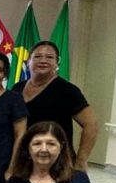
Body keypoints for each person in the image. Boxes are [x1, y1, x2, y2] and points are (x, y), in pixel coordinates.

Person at [12, 41, 99, 171]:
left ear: (57, 62)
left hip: (57, 162)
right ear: (28, 61)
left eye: (49, 57)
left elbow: (91, 124)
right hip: (23, 159)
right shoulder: (17, 88)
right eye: (37, 56)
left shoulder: (67, 90)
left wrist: (81, 160)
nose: (43, 60)